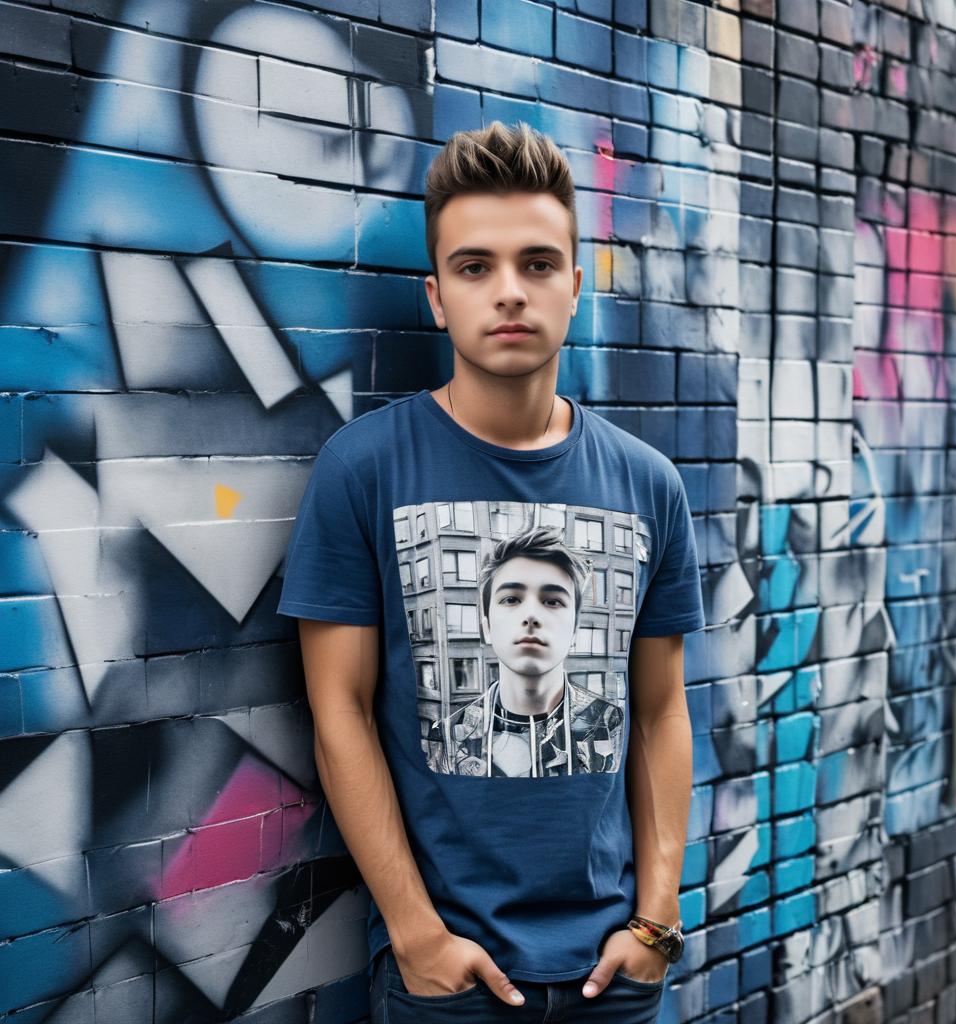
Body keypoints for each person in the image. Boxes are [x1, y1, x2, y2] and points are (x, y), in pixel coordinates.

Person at [276, 120, 705, 1023]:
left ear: (576, 287)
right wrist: (417, 933)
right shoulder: (365, 470)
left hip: (612, 979)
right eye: (475, 268)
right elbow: (339, 713)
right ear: (436, 297)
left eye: (539, 264)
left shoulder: (647, 484)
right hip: (447, 983)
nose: (509, 292)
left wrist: (657, 920)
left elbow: (663, 708)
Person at [424, 525, 625, 778]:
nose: (531, 615)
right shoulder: (447, 733)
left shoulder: (610, 722)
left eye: (552, 601)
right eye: (511, 599)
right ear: (487, 627)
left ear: (574, 630)